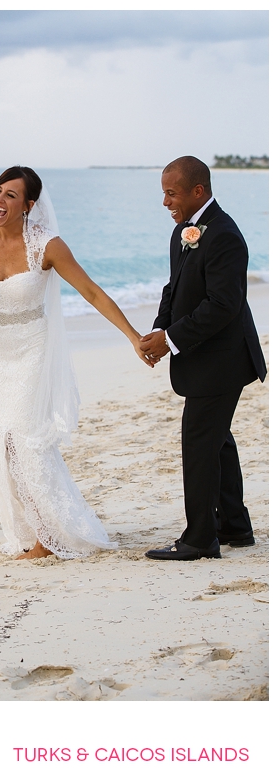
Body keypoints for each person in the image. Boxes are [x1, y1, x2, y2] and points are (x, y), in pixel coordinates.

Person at [0, 166, 150, 560]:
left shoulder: (48, 245)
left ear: (29, 205)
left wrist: (132, 336)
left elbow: (91, 291)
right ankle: (31, 526)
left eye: (10, 195)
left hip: (31, 351)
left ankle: (45, 539)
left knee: (26, 439)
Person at [140, 156, 266, 561]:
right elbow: (175, 286)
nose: (165, 201)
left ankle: (199, 539)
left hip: (223, 359)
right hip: (207, 356)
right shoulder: (185, 230)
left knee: (199, 441)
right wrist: (160, 329)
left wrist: (171, 340)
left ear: (199, 191)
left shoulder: (225, 235)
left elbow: (223, 305)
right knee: (217, 441)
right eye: (163, 192)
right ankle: (235, 527)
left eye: (171, 193)